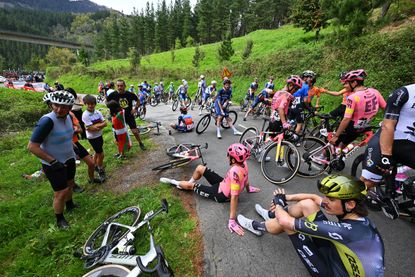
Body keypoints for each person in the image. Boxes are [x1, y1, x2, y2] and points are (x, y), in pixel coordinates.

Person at [237, 174, 385, 277]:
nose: (325, 201)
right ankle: (271, 215)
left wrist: (279, 204)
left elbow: (286, 222)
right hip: (339, 255)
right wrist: (285, 197)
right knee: (308, 205)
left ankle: (257, 227)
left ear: (350, 204)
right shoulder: (355, 215)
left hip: (334, 272)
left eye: (331, 199)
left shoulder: (346, 231)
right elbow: (313, 198)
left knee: (288, 223)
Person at [160, 143, 260, 236]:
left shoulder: (234, 172)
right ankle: (188, 183)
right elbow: (246, 178)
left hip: (220, 194)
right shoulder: (243, 163)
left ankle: (173, 182)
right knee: (200, 168)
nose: (227, 157)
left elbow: (234, 197)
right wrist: (248, 188)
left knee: (192, 186)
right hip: (222, 183)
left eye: (229, 155)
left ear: (233, 160)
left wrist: (232, 220)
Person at [361, 83, 415, 218]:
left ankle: (400, 191)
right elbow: (388, 125)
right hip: (387, 140)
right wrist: (386, 156)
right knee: (367, 182)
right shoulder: (404, 93)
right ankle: (341, 205)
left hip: (410, 145)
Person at [28, 91, 78, 229]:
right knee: (60, 192)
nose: (59, 109)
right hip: (53, 163)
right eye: (56, 105)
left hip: (69, 157)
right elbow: (32, 146)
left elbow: (66, 136)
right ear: (51, 104)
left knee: (70, 183)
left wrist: (73, 148)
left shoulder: (68, 117)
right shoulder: (47, 121)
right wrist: (52, 161)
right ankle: (60, 219)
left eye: (63, 107)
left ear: (70, 108)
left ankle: (70, 205)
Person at [329, 69, 386, 150]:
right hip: (365, 126)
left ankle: (323, 156)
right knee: (344, 143)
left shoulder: (352, 98)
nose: (344, 85)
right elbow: (385, 108)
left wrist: (336, 136)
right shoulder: (375, 92)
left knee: (333, 143)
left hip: (352, 127)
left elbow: (346, 119)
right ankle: (341, 153)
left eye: (346, 83)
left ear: (354, 83)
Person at [65, 89, 101, 186]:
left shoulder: (70, 114)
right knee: (69, 169)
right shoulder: (51, 119)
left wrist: (74, 130)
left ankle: (92, 179)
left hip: (75, 143)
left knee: (91, 163)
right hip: (63, 146)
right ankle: (73, 186)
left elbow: (80, 129)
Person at [107, 79, 146, 150]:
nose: (119, 87)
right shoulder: (113, 95)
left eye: (121, 86)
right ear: (116, 86)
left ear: (124, 86)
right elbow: (107, 102)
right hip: (118, 117)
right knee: (118, 134)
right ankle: (122, 150)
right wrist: (111, 110)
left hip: (129, 115)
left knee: (134, 131)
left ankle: (140, 143)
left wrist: (135, 109)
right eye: (118, 86)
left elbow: (138, 100)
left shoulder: (129, 94)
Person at [82, 94, 107, 182]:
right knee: (101, 154)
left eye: (92, 104)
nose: (90, 105)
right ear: (85, 104)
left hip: (99, 135)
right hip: (92, 138)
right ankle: (100, 169)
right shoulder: (85, 115)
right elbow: (92, 128)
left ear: (95, 104)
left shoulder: (98, 112)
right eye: (88, 104)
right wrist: (98, 126)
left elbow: (105, 123)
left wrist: (95, 126)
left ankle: (96, 166)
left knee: (97, 152)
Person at [288, 71, 311, 136]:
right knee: (299, 123)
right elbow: (305, 100)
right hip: (298, 105)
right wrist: (309, 108)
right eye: (309, 77)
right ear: (305, 78)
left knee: (290, 120)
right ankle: (294, 138)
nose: (310, 79)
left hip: (291, 104)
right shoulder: (306, 86)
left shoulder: (295, 83)